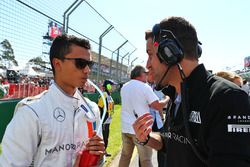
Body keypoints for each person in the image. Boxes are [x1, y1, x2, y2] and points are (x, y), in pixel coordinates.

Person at [133, 16, 250, 167]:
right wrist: (147, 138)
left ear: (169, 53)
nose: (147, 64)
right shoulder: (176, 95)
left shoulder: (228, 99)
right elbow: (170, 142)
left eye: (150, 54)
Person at [0, 34, 105, 167]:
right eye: (80, 63)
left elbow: (97, 162)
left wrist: (99, 158)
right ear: (57, 64)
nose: (87, 70)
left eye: (90, 64)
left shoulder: (92, 109)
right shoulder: (31, 113)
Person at [119, 65, 169, 167]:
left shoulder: (124, 86)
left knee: (125, 156)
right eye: (145, 73)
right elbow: (157, 105)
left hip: (125, 128)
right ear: (140, 74)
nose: (147, 76)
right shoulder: (144, 86)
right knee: (146, 160)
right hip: (141, 130)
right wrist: (168, 98)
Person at [97, 79, 116, 157]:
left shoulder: (109, 95)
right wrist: (101, 120)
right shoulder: (104, 95)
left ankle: (104, 152)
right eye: (112, 85)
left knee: (106, 137)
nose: (113, 87)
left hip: (107, 120)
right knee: (103, 137)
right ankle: (101, 153)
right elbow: (99, 108)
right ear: (107, 86)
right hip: (104, 121)